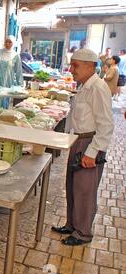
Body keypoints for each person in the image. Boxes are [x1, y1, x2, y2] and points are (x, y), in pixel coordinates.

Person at [52, 48, 114, 246]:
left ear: (90, 66)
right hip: (78, 141)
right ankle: (72, 224)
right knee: (72, 186)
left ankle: (83, 233)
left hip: (89, 143)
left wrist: (92, 153)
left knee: (85, 190)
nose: (71, 69)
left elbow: (106, 125)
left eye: (75, 65)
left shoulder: (98, 87)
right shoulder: (84, 85)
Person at [0, 35, 24, 115]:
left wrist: (20, 86)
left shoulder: (16, 56)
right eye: (6, 41)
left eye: (10, 42)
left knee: (3, 103)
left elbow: (18, 72)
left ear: (13, 43)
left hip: (7, 85)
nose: (7, 44)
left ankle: (1, 122)